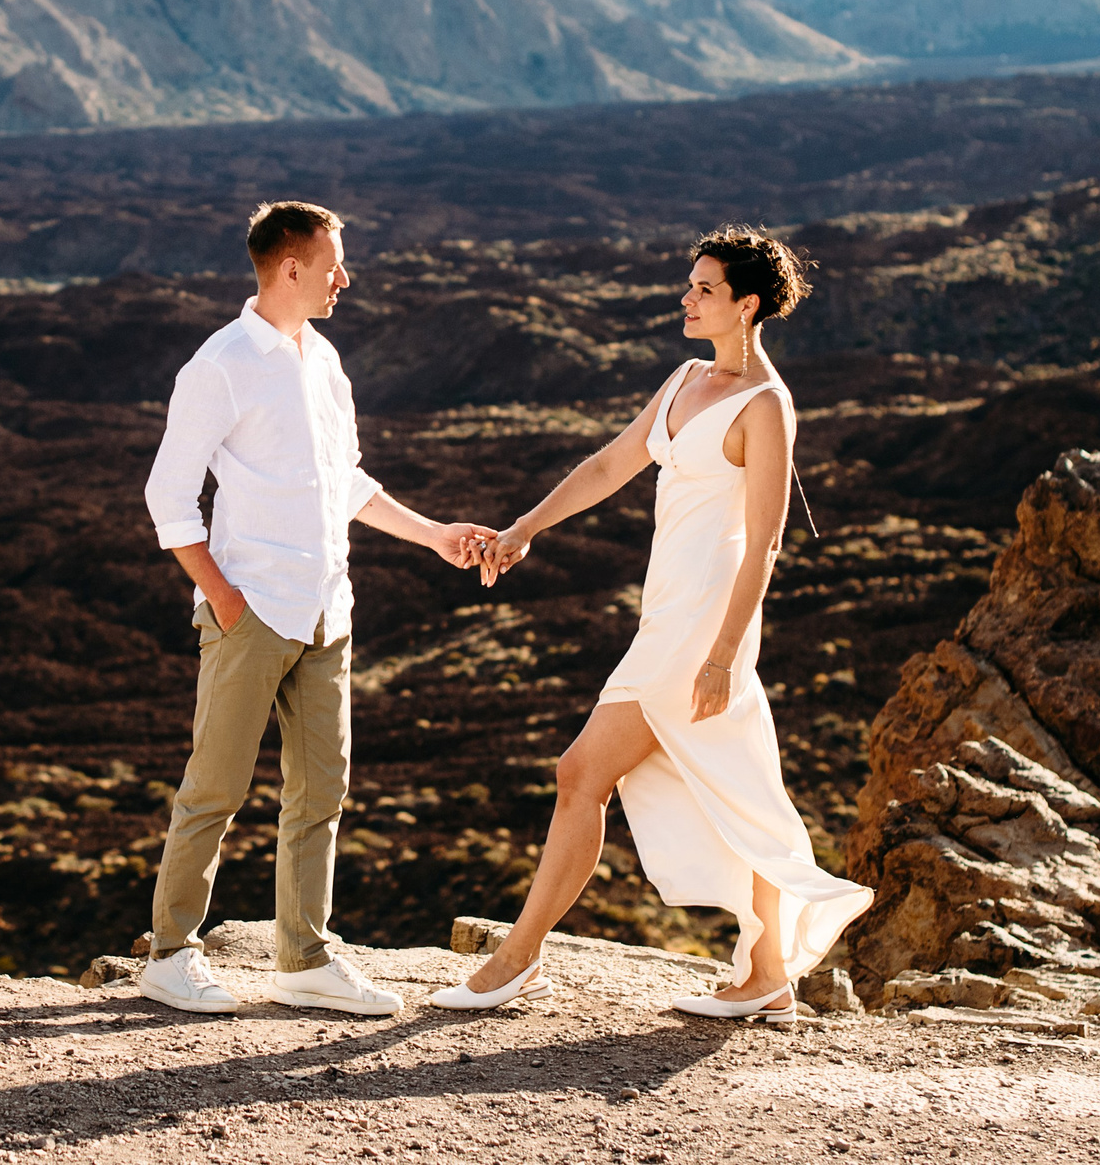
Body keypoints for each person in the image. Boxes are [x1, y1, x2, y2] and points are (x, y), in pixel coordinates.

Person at [430, 225, 873, 1021]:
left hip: (704, 628)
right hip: (666, 612)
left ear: (747, 305)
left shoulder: (765, 407)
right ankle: (768, 972)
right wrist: (526, 527)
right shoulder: (684, 379)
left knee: (580, 774)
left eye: (704, 289)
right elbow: (609, 465)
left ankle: (514, 960)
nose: (687, 297)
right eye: (690, 284)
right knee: (742, 788)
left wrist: (723, 655)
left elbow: (766, 542)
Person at [138, 200, 493, 1016]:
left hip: (328, 607)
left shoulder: (324, 360)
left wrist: (434, 534)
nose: (345, 276)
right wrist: (224, 598)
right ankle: (169, 955)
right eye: (333, 262)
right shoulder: (220, 364)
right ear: (289, 266)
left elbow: (348, 483)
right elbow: (167, 497)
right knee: (215, 790)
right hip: (253, 610)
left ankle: (303, 960)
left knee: (321, 793)